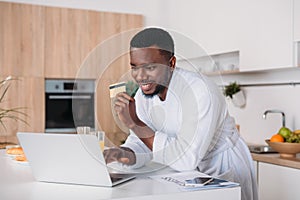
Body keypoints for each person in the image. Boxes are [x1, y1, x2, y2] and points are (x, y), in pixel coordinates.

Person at [103, 27, 258, 200]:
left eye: (150, 67)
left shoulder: (200, 91)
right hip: (183, 178)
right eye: (135, 67)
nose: (140, 77)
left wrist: (134, 123)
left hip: (222, 167)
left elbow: (186, 159)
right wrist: (122, 154)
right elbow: (142, 144)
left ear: (171, 63)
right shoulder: (142, 96)